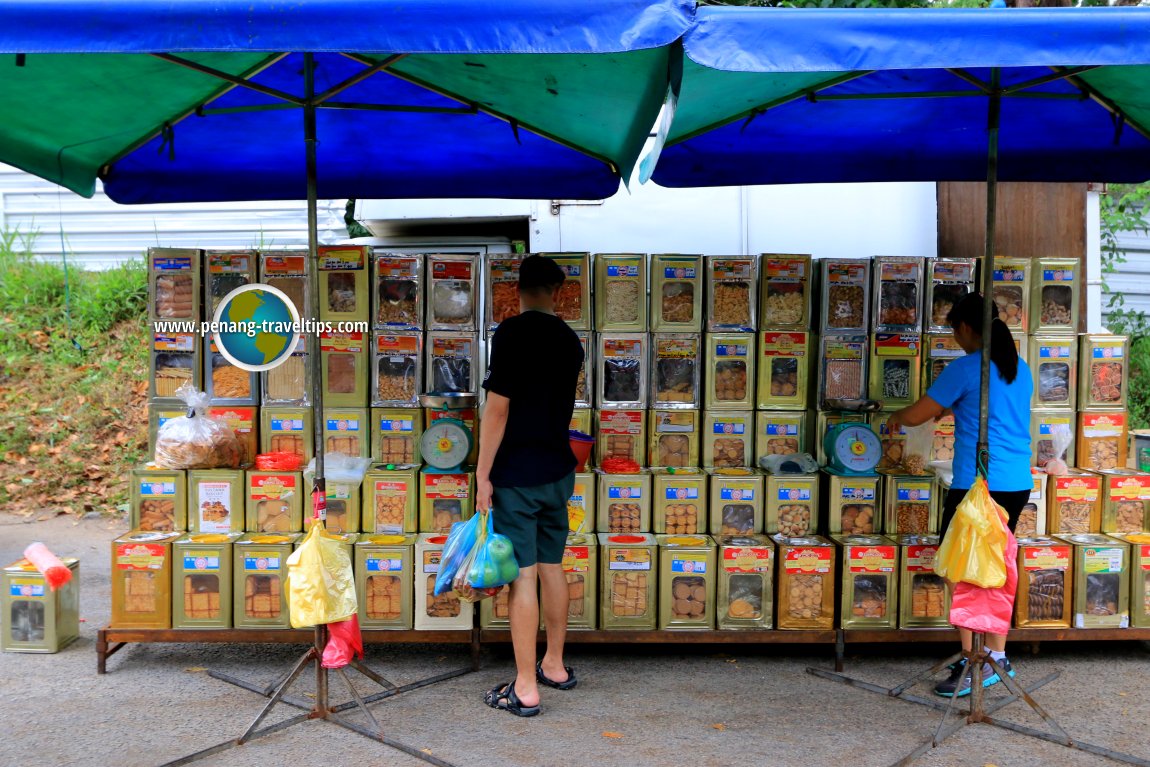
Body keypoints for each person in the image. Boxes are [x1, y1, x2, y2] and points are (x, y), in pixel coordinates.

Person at [886, 292, 1032, 698]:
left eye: (954, 330)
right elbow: (994, 411)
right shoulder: (1020, 369)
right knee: (996, 570)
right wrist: (950, 410)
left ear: (966, 328)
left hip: (978, 488)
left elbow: (916, 414)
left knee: (961, 569)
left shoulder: (967, 368)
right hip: (1016, 483)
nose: (955, 338)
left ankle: (973, 663)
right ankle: (997, 657)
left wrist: (895, 417)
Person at [476, 255, 585, 717]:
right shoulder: (569, 340)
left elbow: (497, 411)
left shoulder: (512, 334)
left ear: (517, 289)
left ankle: (524, 687)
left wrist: (482, 475)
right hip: (558, 471)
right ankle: (554, 665)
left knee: (522, 576)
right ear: (558, 291)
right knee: (551, 566)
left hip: (516, 475)